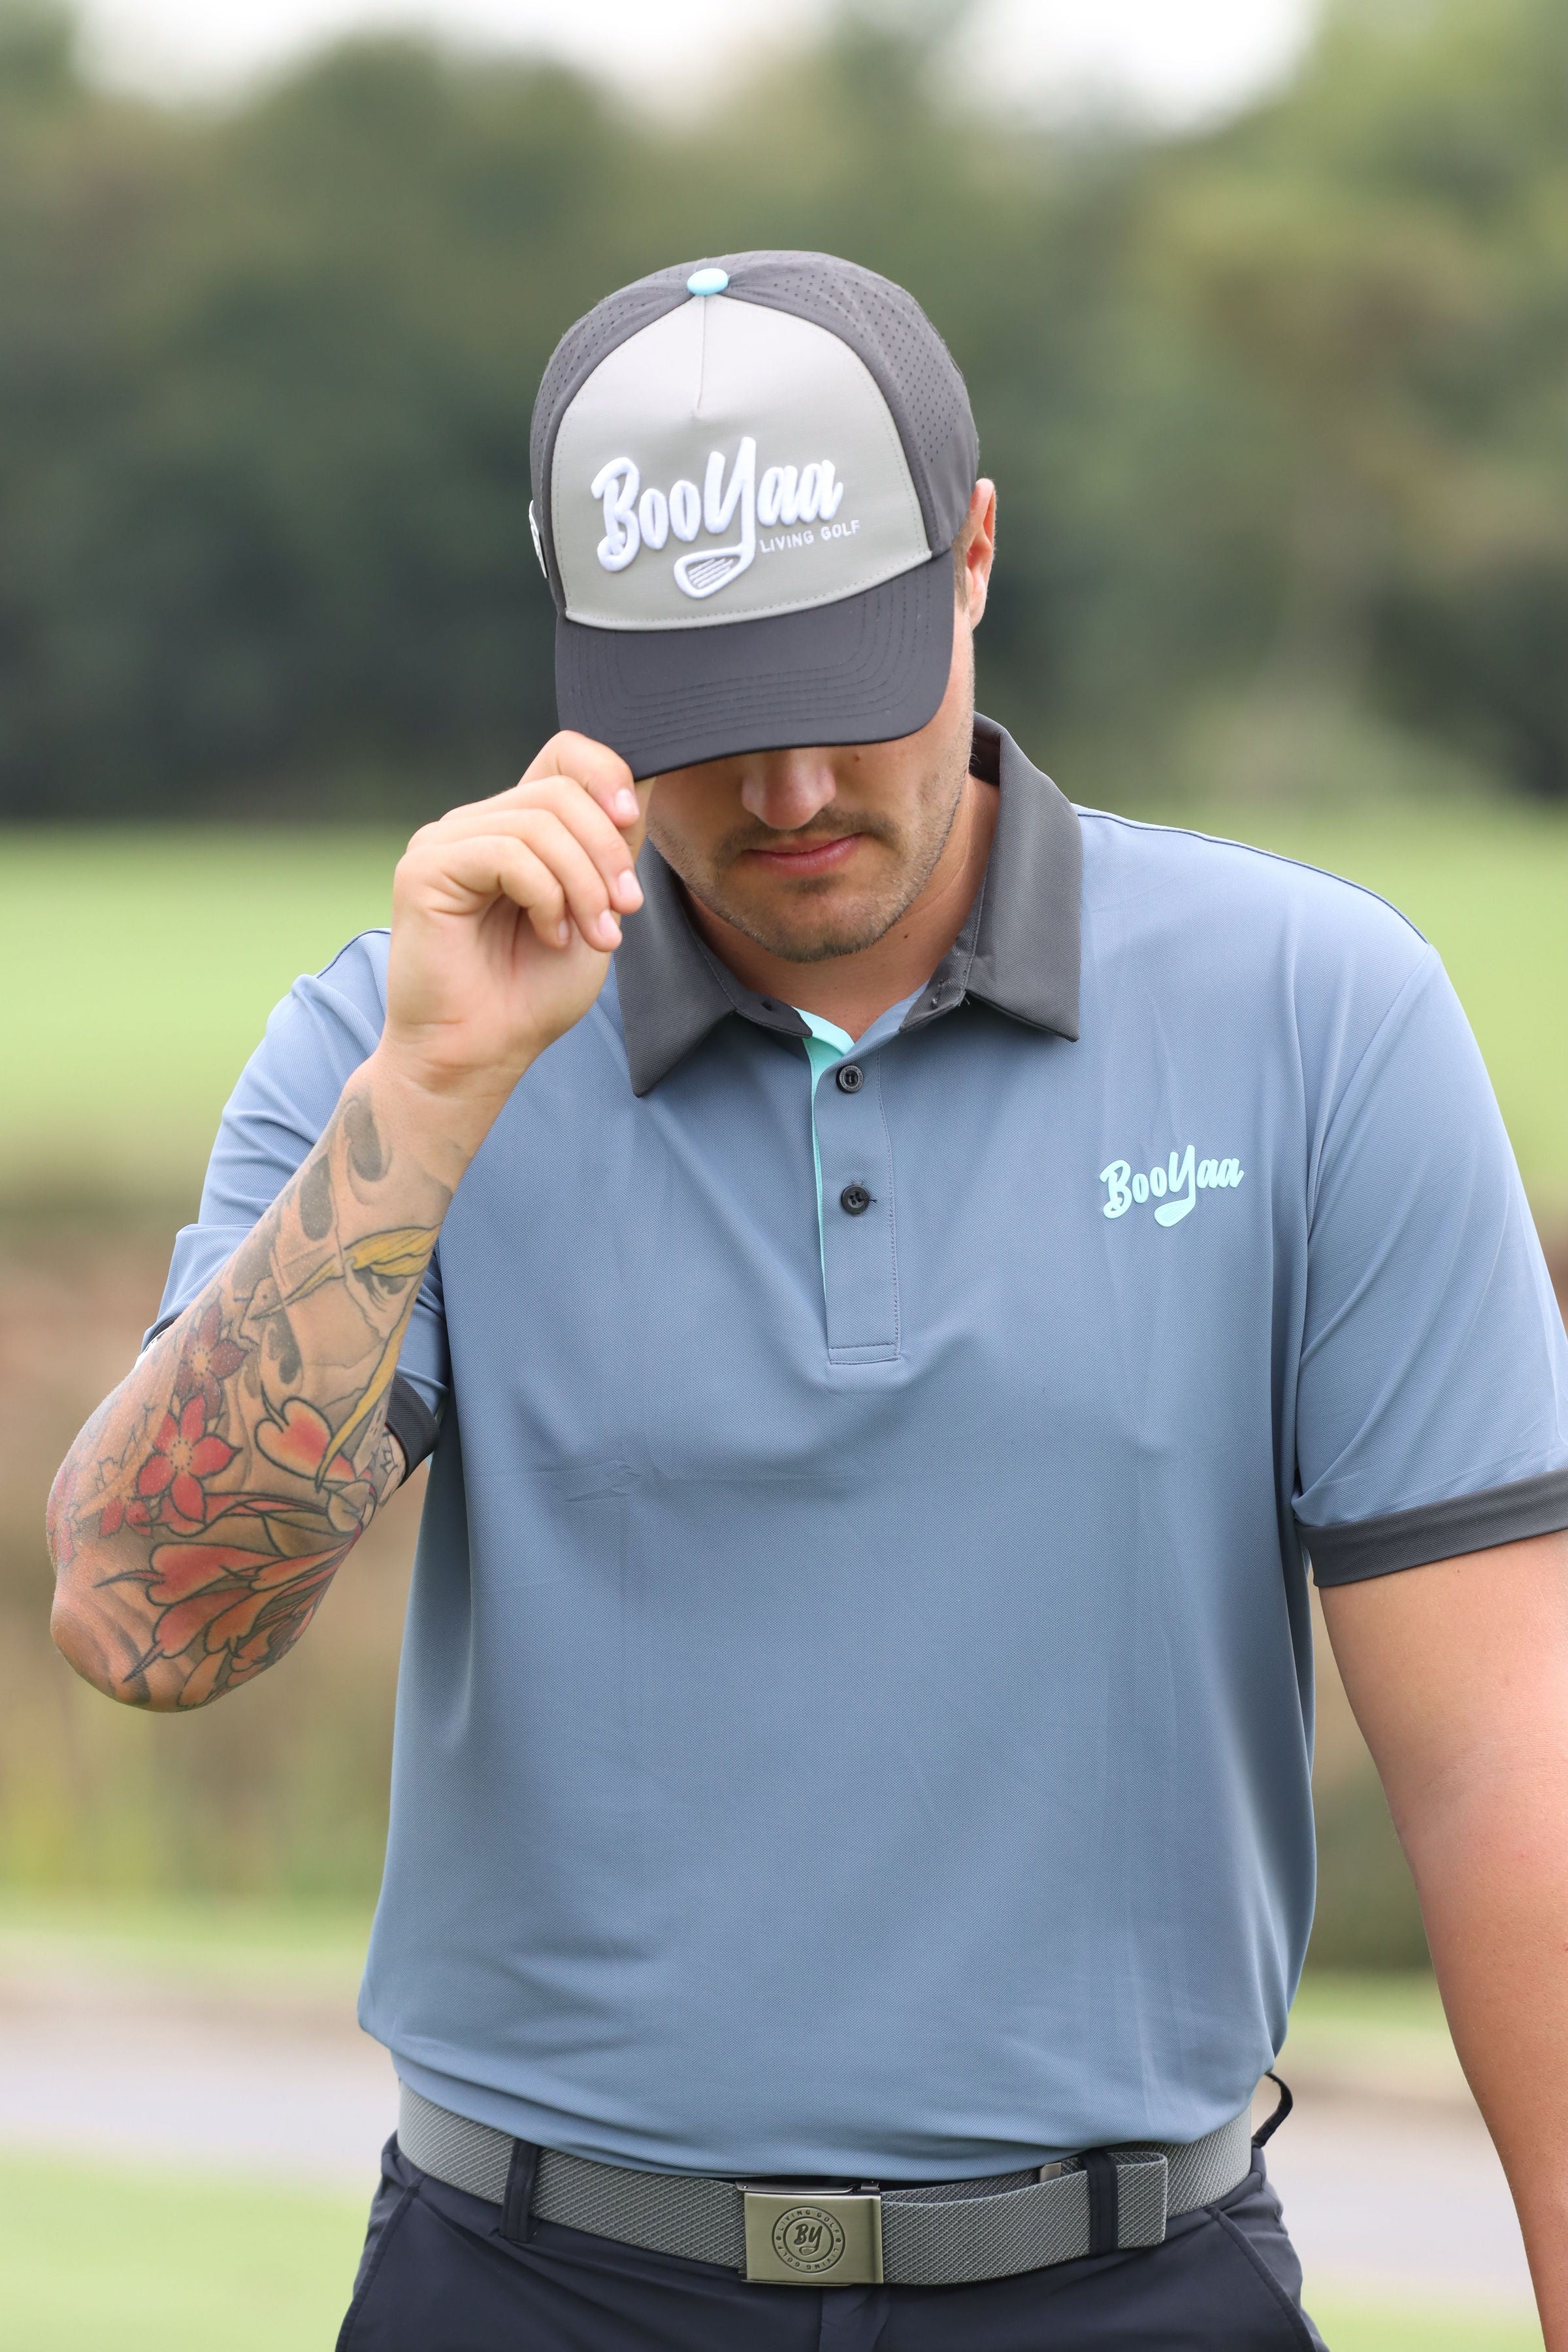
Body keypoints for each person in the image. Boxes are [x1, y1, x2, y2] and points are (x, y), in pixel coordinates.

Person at [47, 252, 1568, 2352]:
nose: (785, 797)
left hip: (1137, 2289)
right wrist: (436, 1092)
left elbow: (1510, 1763)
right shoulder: (391, 1046)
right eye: (703, 721)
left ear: (973, 557)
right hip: (532, 2287)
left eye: (843, 692)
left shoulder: (1319, 1015)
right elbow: (146, 1622)